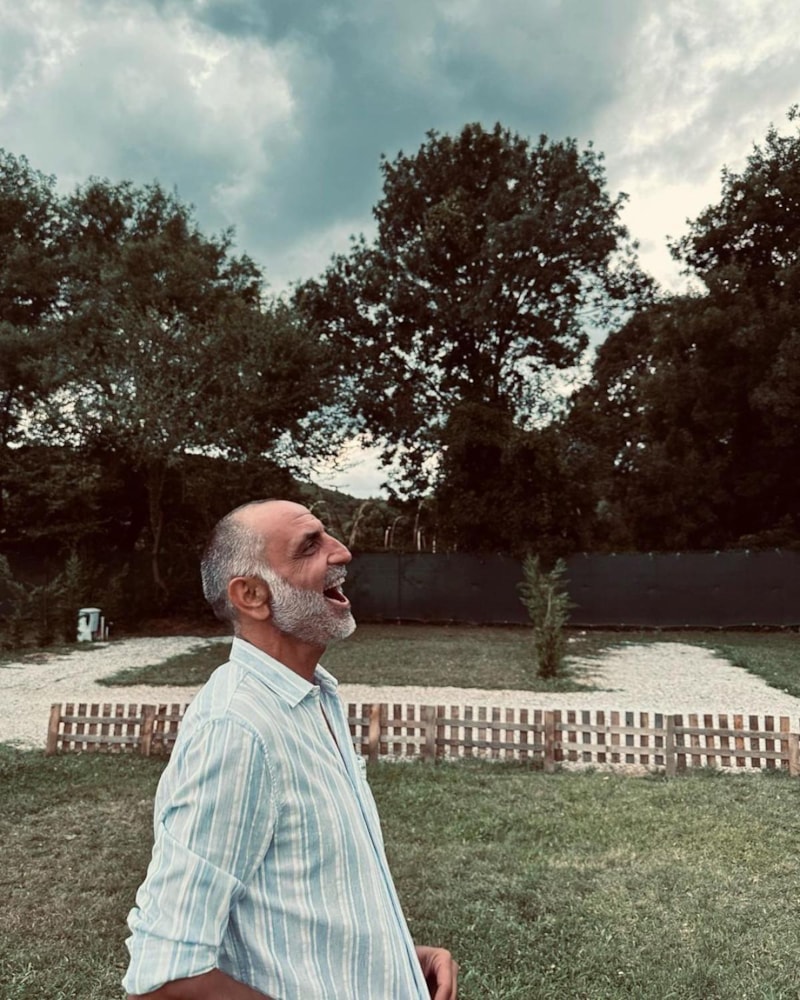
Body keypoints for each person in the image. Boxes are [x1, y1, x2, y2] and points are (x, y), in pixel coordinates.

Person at [123, 498, 458, 1000]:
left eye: (328, 535)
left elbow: (303, 899)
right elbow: (165, 978)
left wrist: (397, 962)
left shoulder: (312, 696)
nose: (341, 552)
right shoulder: (238, 730)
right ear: (252, 595)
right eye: (309, 547)